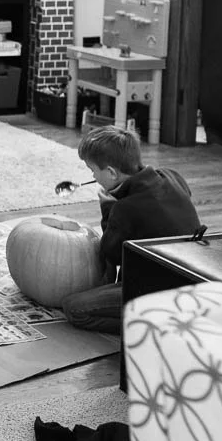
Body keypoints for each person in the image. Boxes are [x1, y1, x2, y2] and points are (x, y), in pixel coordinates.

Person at [62, 125, 201, 334]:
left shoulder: (124, 209)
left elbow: (111, 254)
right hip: (195, 278)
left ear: (110, 172)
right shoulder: (172, 175)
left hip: (161, 291)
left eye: (93, 171)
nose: (93, 176)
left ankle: (155, 327)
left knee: (74, 308)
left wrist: (108, 207)